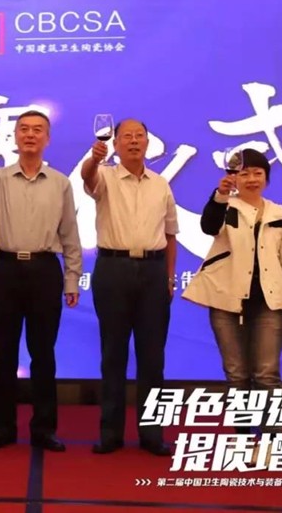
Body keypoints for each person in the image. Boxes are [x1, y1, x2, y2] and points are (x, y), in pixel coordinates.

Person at [0, 110, 82, 452]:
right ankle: (2, 428)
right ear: (15, 137)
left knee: (43, 353)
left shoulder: (60, 182)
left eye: (37, 130)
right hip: (6, 270)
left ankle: (44, 429)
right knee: (3, 352)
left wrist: (72, 279)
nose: (30, 135)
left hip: (45, 271)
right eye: (24, 129)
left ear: (47, 139)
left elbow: (69, 233)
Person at [183, 148, 282, 439]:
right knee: (237, 374)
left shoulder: (279, 215)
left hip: (270, 303)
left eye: (258, 173)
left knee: (267, 373)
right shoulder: (226, 207)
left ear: (266, 177)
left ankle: (273, 439)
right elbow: (209, 226)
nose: (252, 179)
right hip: (227, 301)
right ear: (234, 178)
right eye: (245, 173)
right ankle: (244, 438)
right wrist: (220, 194)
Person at [80, 118, 177, 456]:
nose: (134, 141)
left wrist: (169, 277)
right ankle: (111, 433)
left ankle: (152, 435)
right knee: (113, 354)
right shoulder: (104, 176)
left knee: (153, 357)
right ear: (116, 144)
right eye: (127, 136)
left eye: (139, 136)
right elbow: (87, 178)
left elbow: (170, 235)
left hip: (153, 271)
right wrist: (94, 158)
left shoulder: (161, 184)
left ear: (148, 142)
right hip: (113, 269)